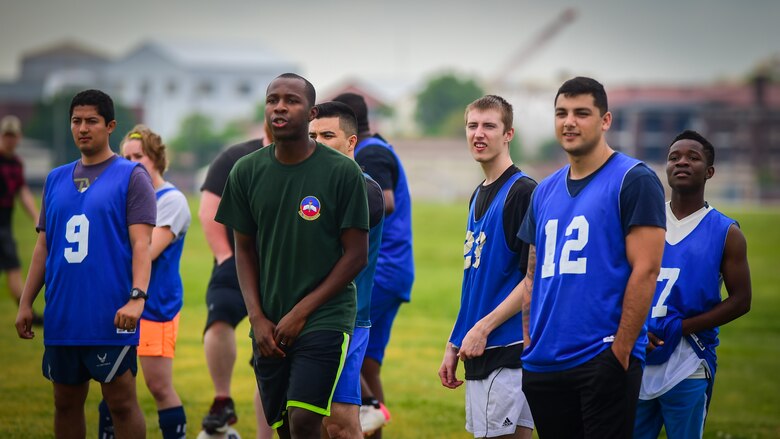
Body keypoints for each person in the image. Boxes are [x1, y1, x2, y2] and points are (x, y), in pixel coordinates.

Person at [216, 73, 369, 439]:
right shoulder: (246, 171)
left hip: (325, 318)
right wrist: (258, 318)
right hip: (268, 323)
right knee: (283, 426)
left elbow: (356, 255)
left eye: (291, 100)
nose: (280, 107)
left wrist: (301, 313)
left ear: (311, 112)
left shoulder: (342, 172)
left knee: (304, 418)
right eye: (273, 100)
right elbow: (244, 250)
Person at [15, 89, 156, 438]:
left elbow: (142, 244)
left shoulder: (131, 176)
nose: (82, 128)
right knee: (64, 402)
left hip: (111, 313)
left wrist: (137, 297)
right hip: (63, 314)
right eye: (76, 121)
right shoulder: (55, 179)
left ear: (110, 126)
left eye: (91, 121)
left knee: (121, 403)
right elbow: (43, 246)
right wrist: (25, 302)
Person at [634, 130, 752, 439]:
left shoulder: (726, 231)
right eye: (674, 157)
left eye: (693, 158)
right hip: (637, 354)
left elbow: (741, 300)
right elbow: (614, 283)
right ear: (666, 168)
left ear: (709, 172)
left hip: (689, 360)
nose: (682, 162)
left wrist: (683, 326)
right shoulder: (644, 222)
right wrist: (634, 329)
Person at [438, 95, 536, 439]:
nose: (479, 134)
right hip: (484, 346)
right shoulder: (478, 193)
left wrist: (482, 329)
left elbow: (532, 279)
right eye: (472, 125)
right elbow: (475, 284)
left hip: (505, 349)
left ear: (508, 133)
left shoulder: (523, 192)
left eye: (489, 126)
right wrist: (454, 342)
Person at [97, 125, 191, 438]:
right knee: (112, 384)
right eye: (126, 157)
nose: (133, 163)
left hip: (155, 305)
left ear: (156, 159)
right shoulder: (123, 196)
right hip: (118, 302)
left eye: (140, 156)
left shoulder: (171, 200)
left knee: (158, 386)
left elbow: (147, 251)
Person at [332, 93, 413, 436]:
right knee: (367, 363)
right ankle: (370, 413)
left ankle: (366, 408)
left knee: (335, 350)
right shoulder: (376, 147)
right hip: (389, 268)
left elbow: (385, 200)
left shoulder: (370, 153)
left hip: (379, 268)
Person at [309, 101, 385, 438]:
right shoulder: (304, 188)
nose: (317, 143)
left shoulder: (366, 189)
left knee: (339, 422)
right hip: (298, 317)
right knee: (308, 420)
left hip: (346, 320)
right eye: (312, 136)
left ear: (351, 142)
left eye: (328, 135)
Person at [199, 123, 274, 438]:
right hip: (235, 260)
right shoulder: (236, 156)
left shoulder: (306, 160)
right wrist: (224, 257)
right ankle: (222, 399)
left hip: (280, 270)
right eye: (274, 103)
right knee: (218, 320)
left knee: (270, 357)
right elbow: (209, 210)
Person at [0, 115, 41, 324]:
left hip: (4, 222)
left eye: (13, 136)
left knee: (13, 265)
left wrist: (37, 217)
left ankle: (27, 312)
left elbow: (22, 192)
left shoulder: (16, 163)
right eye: (6, 135)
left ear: (18, 138)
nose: (9, 140)